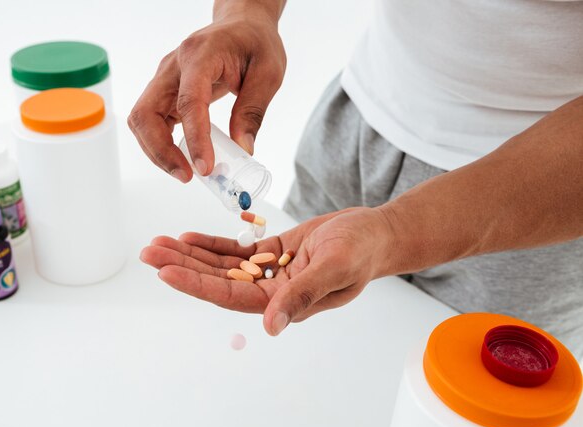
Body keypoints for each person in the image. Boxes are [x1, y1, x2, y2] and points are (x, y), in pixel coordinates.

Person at [128, 0, 583, 357]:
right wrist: (248, 12)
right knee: (321, 352)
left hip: (531, 185)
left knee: (460, 404)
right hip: (356, 124)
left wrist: (394, 230)